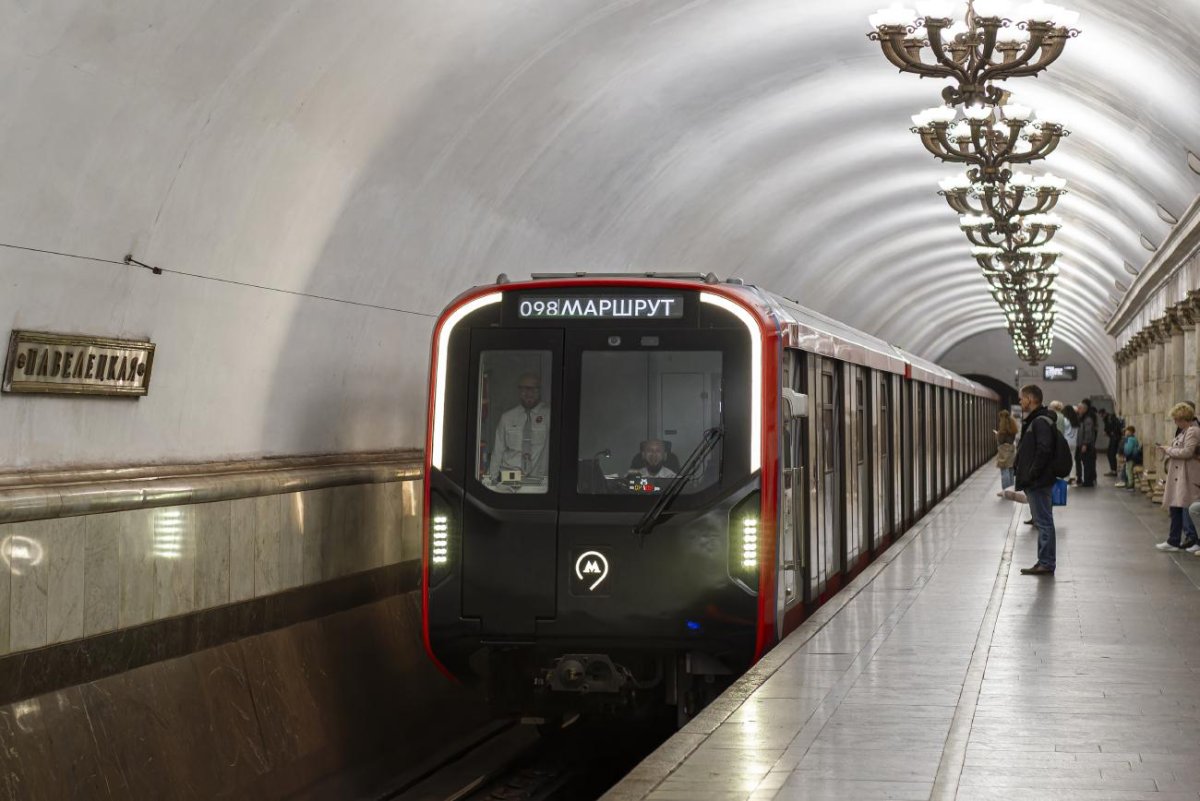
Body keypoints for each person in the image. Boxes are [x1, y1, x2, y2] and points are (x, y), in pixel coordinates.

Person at [1014, 384, 1058, 575]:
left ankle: (1046, 563)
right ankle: (1044, 561)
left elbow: (1044, 449)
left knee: (1044, 522)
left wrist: (1032, 473)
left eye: (1021, 398)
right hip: (1038, 480)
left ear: (1030, 399)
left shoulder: (1039, 421)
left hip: (1038, 481)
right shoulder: (1038, 420)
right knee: (1043, 521)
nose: (1020, 401)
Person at [1154, 402, 1200, 553]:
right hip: (1179, 476)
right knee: (1175, 507)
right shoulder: (1184, 431)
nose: (1175, 422)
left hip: (1187, 476)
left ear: (1183, 418)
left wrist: (1169, 450)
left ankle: (1194, 540)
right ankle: (1173, 540)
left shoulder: (1193, 431)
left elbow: (1187, 452)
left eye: (1176, 419)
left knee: (1187, 508)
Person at [490, 373, 550, 482]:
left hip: (539, 482)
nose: (529, 393)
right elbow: (497, 452)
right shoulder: (507, 417)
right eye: (525, 389)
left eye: (534, 389)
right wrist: (491, 480)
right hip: (509, 481)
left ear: (540, 391)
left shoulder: (549, 416)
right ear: (519, 391)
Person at [1075, 399, 1097, 487]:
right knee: (1084, 461)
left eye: (1079, 408)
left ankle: (1088, 481)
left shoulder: (1087, 419)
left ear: (1084, 409)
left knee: (1087, 463)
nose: (1078, 410)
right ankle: (1087, 479)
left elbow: (1088, 432)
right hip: (1082, 444)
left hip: (1086, 445)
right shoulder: (1082, 418)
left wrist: (1085, 444)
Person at [995, 409, 1018, 491]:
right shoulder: (1013, 427)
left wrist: (997, 435)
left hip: (1003, 452)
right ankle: (1011, 489)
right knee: (1011, 471)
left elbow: (1001, 441)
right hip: (1011, 451)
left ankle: (1006, 490)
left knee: (1004, 470)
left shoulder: (1003, 430)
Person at [1117, 425, 1140, 490]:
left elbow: (1128, 449)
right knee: (1128, 469)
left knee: (1128, 470)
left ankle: (1130, 483)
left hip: (1130, 457)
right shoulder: (1133, 439)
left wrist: (1125, 454)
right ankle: (1129, 482)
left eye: (1127, 431)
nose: (1125, 432)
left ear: (1130, 432)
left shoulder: (1130, 439)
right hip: (1132, 457)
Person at [1100, 409, 1122, 476]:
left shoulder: (1110, 418)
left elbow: (1113, 427)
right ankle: (1113, 470)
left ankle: (1114, 471)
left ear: (1104, 413)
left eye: (1101, 415)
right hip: (1113, 438)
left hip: (1115, 438)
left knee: (1111, 454)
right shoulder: (1107, 418)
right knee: (1109, 454)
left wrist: (1110, 432)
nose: (1101, 417)